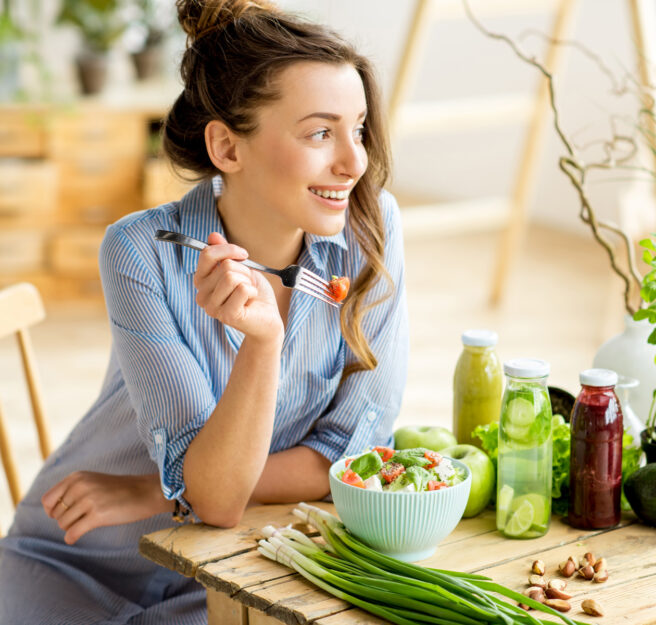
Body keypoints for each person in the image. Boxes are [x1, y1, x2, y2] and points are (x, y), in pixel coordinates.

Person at [0, 1, 408, 622]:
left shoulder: (373, 230)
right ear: (227, 146)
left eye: (356, 129)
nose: (353, 163)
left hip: (229, 566)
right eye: (320, 133)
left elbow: (349, 456)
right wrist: (261, 348)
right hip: (76, 559)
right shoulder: (141, 249)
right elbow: (215, 495)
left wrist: (156, 493)